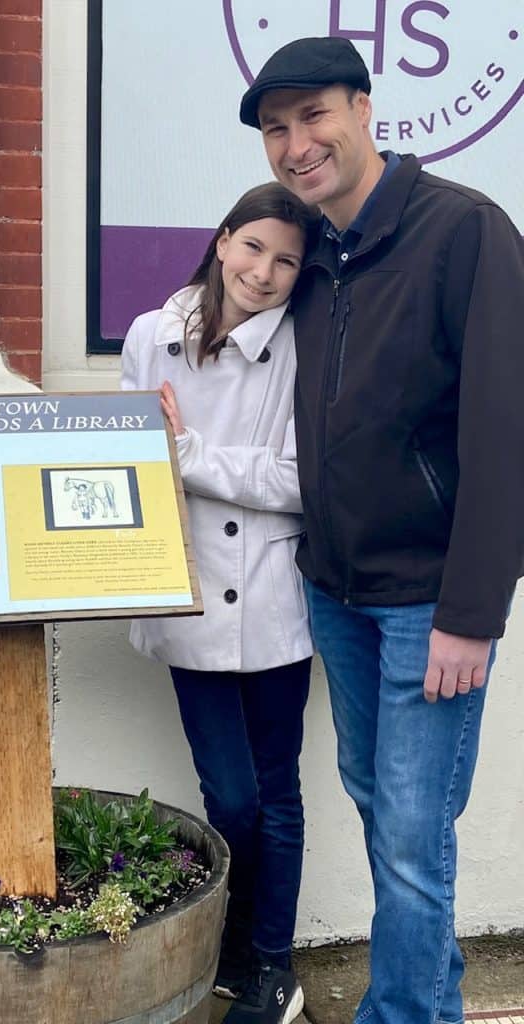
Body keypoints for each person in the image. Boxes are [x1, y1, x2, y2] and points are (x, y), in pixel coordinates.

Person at [238, 35, 524, 1024]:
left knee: (410, 832)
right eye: (277, 129)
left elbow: (504, 430)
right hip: (338, 592)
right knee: (386, 807)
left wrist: (472, 611)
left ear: (363, 108)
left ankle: (406, 1012)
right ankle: (429, 994)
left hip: (429, 607)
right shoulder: (314, 252)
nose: (295, 142)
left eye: (312, 115)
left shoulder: (466, 233)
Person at [121, 182, 319, 1024]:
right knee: (230, 796)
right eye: (253, 249)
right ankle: (232, 950)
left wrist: (189, 453)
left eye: (286, 261)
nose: (264, 273)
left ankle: (267, 963)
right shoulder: (150, 336)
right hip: (187, 591)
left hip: (273, 600)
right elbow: (129, 455)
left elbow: (302, 482)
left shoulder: (305, 350)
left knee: (276, 790)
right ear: (222, 240)